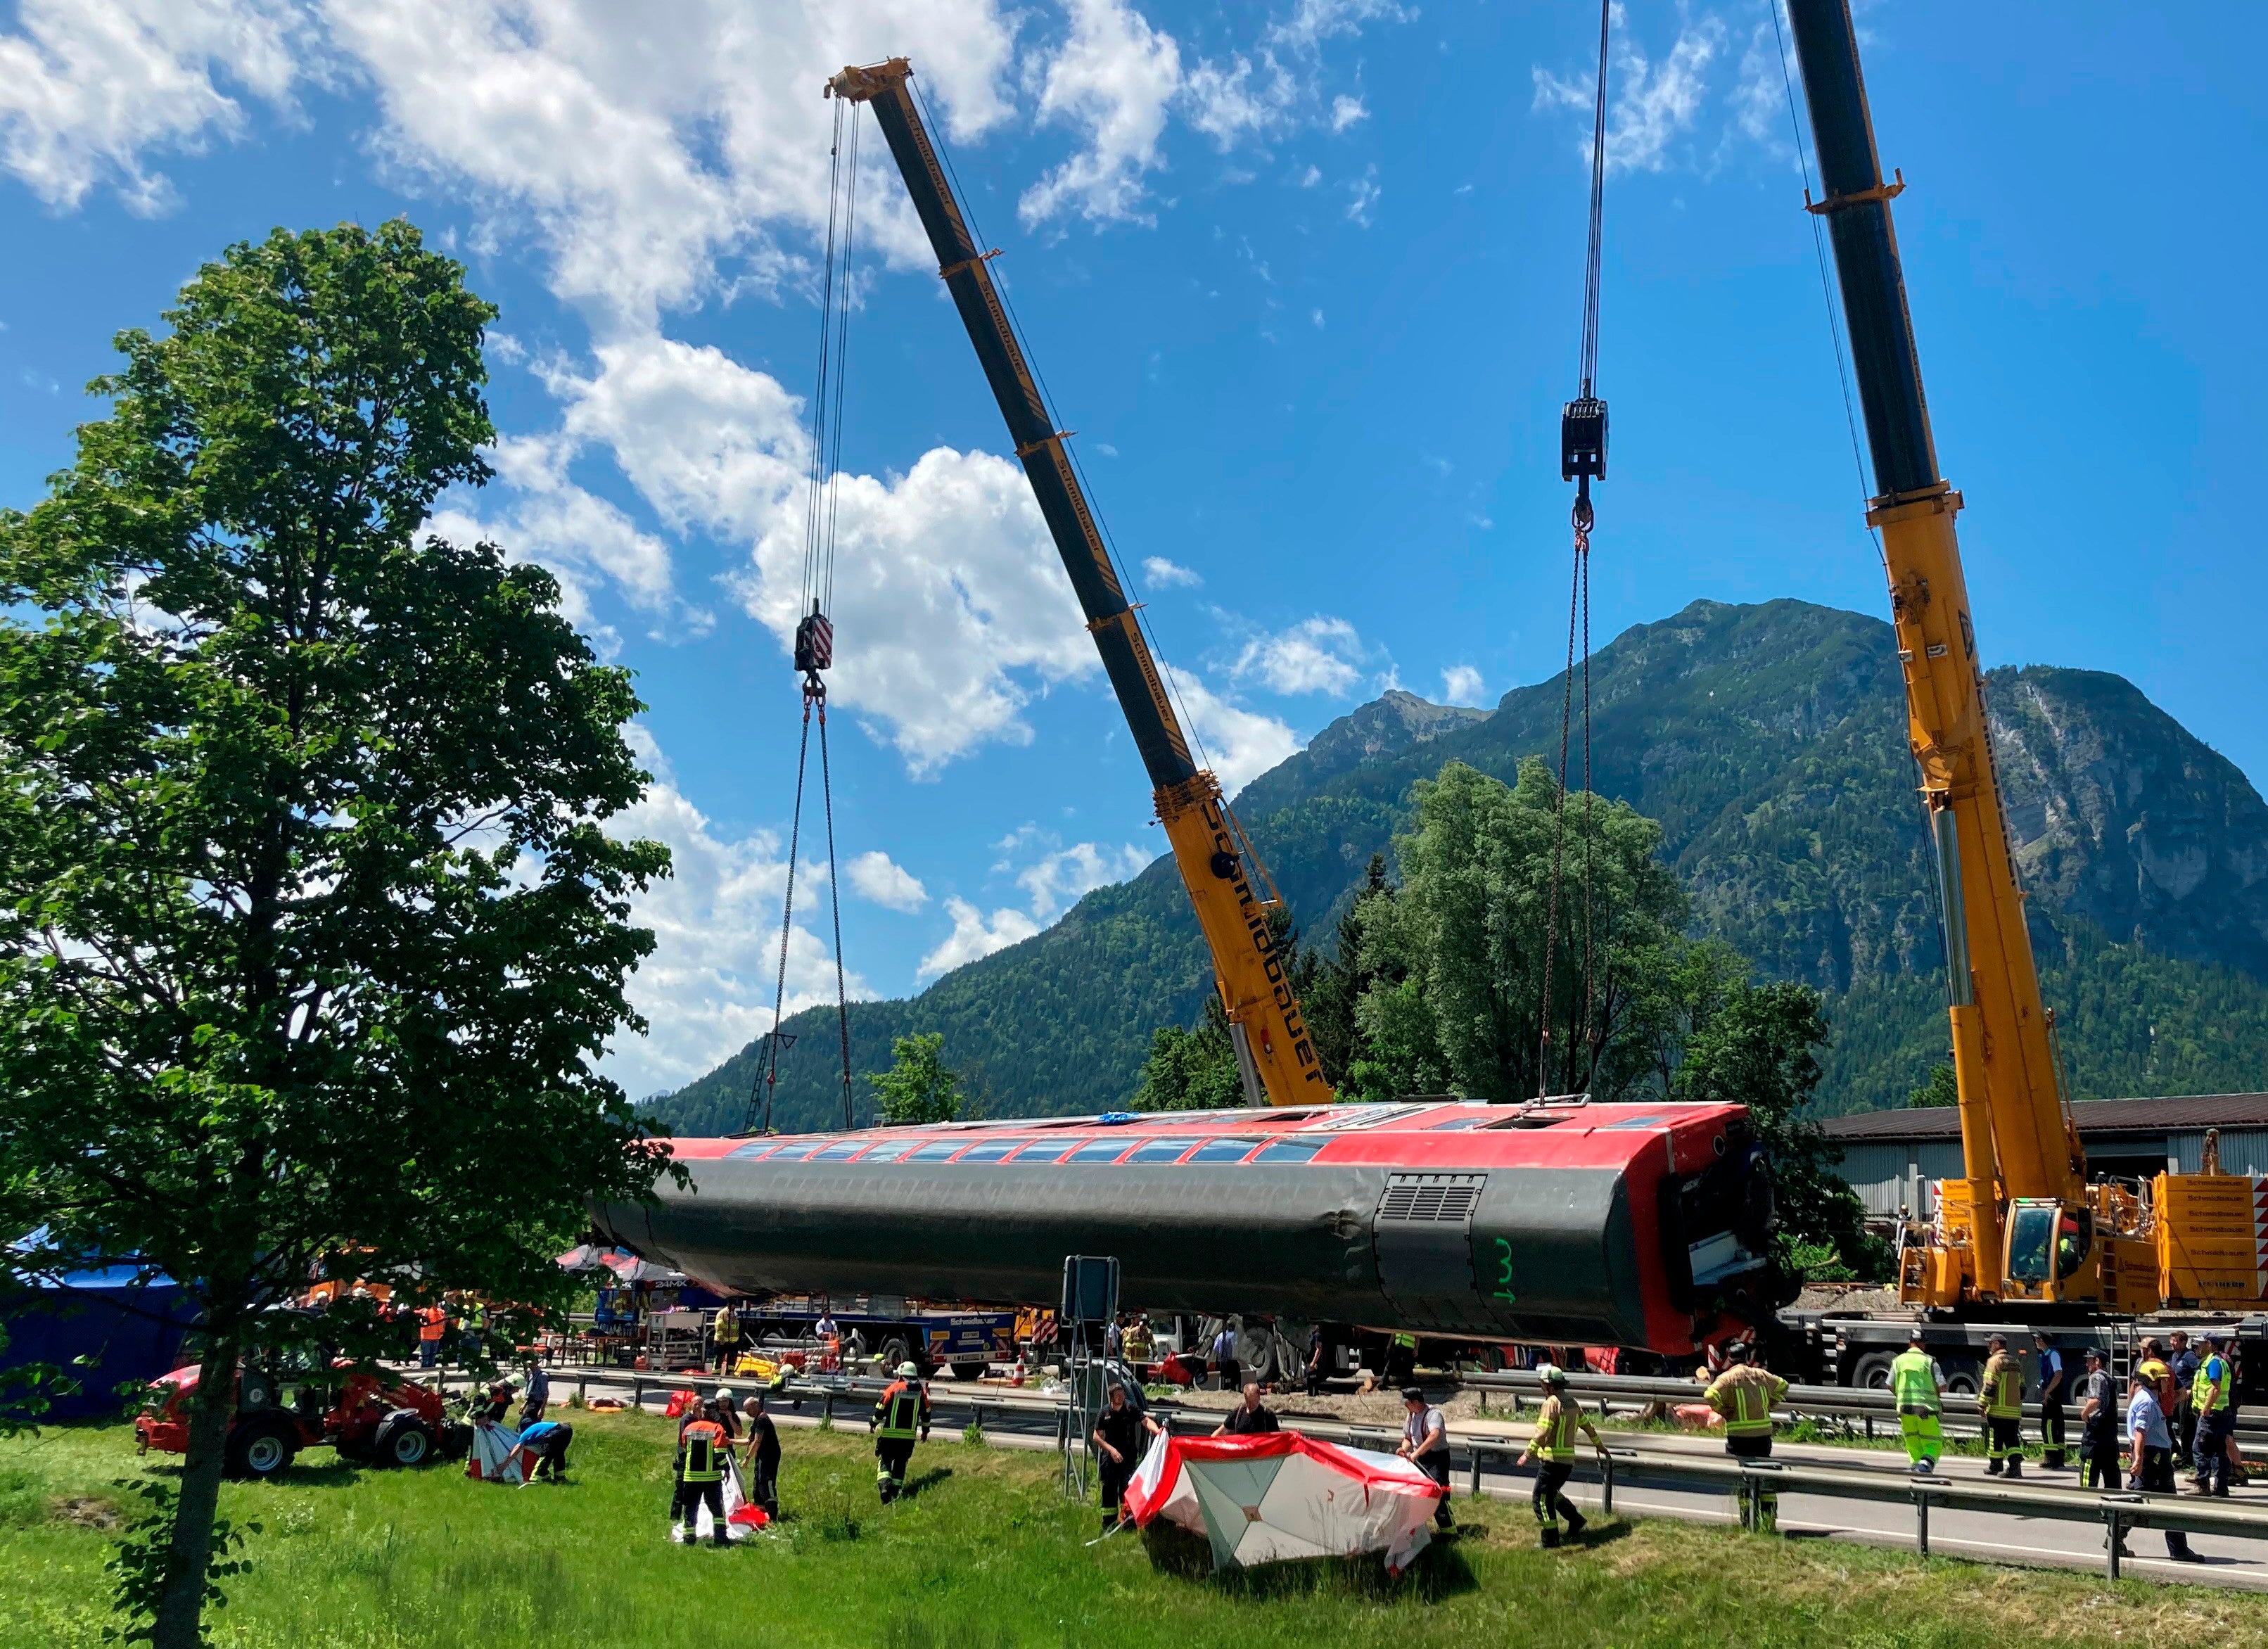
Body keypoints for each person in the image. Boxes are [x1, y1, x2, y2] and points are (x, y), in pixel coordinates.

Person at [1704, 1342, 1789, 1532]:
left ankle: (1747, 1521)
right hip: (1763, 1436)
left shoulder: (1727, 1378)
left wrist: (1723, 1410)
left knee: (1744, 1479)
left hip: (1739, 1437)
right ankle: (1768, 1521)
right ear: (1747, 1357)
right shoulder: (1761, 1374)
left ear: (1729, 1358)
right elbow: (1783, 1385)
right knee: (1765, 1476)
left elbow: (1710, 1394)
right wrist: (1770, 1404)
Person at [1517, 1363, 1604, 1548]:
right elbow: (1588, 1425)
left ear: (1549, 1386)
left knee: (1540, 1499)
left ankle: (1550, 1540)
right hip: (1567, 1463)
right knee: (1551, 1494)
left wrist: (1527, 1454)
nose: (1542, 1387)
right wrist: (1599, 1445)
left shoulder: (1551, 1403)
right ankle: (1576, 1520)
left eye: (1543, 1384)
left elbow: (1542, 1433)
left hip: (1552, 1461)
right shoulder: (1572, 1402)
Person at [2128, 1367, 2200, 1562]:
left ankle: (2179, 1549)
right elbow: (2140, 1432)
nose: (2167, 1383)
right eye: (2163, 1379)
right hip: (2154, 1457)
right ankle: (2179, 1550)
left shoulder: (2149, 1398)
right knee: (2153, 1501)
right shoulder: (2146, 1401)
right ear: (2152, 1380)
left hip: (2155, 1456)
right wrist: (2139, 1459)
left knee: (2149, 1500)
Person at [1092, 1380, 1164, 1534]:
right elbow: (1096, 1437)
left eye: (1122, 1394)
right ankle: (1109, 1524)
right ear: (1112, 1397)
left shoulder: (1131, 1408)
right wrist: (1111, 1450)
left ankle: (1128, 1522)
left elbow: (1145, 1421)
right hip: (1110, 1458)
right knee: (1109, 1490)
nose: (1121, 1397)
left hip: (1128, 1457)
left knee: (1127, 1489)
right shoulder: (1105, 1413)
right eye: (1118, 1395)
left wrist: (1157, 1431)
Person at [672, 1403, 732, 1546]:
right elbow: (719, 1455)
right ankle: (720, 1538)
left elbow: (683, 1450)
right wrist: (727, 1468)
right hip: (711, 1478)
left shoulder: (689, 1428)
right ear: (714, 1415)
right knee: (717, 1510)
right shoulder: (717, 1428)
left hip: (691, 1477)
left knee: (691, 1508)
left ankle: (689, 1538)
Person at [871, 1361, 931, 1503]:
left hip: (890, 1436)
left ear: (901, 1375)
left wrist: (873, 1423)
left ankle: (885, 1487)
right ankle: (895, 1492)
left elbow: (881, 1408)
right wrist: (925, 1431)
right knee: (901, 1463)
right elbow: (927, 1413)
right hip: (908, 1439)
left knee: (885, 1461)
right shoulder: (921, 1392)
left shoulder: (894, 1388)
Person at [1398, 1386, 1455, 1531]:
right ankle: (1418, 1529)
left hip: (1437, 1458)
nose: (1406, 1406)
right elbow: (1408, 1438)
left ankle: (1448, 1530)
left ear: (1416, 1402)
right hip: (1420, 1458)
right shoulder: (1411, 1416)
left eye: (1407, 1403)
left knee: (1437, 1493)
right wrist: (1404, 1449)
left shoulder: (1433, 1414)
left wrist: (1416, 1454)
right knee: (1415, 1492)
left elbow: (1434, 1436)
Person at [1889, 1328, 1944, 1474]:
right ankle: (1925, 1466)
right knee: (1934, 1442)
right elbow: (1942, 1386)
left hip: (1905, 1410)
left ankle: (1916, 1468)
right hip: (1926, 1410)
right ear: (1923, 1344)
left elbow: (1889, 1384)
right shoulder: (1929, 1361)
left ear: (1910, 1343)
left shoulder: (1898, 1361)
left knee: (1912, 1441)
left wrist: (1901, 1395)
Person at [2191, 1333, 2235, 1497]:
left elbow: (2215, 1388)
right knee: (2219, 1451)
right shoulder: (2220, 1361)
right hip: (2221, 1413)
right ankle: (2221, 1487)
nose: (2197, 1347)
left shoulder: (2213, 1362)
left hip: (2212, 1414)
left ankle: (2203, 1485)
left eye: (2201, 1344)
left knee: (2200, 1448)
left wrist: (2206, 1408)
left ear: (2209, 1344)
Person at [1980, 1334, 2025, 1478]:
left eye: (1991, 1343)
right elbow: (2022, 1388)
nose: (1989, 1346)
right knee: (2012, 1439)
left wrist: (1982, 1404)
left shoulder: (1994, 1361)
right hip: (2014, 1411)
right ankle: (2015, 1468)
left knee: (1995, 1439)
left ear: (1997, 1344)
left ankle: (1996, 1465)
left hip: (1998, 1410)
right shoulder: (2016, 1362)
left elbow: (1990, 1386)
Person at [2077, 1346, 2122, 1491]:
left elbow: (2095, 1400)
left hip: (2095, 1434)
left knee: (2088, 1471)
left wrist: (2084, 1414)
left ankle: (2087, 1500)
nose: (2086, 1365)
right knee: (2111, 1473)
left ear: (2097, 1361)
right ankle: (2114, 1500)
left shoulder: (2096, 1377)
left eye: (2089, 1361)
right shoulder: (2111, 1379)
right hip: (2110, 1433)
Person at [740, 1392, 782, 1517]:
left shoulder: (762, 1419)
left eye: (749, 1409)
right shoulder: (757, 1420)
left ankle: (773, 1516)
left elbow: (757, 1441)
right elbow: (748, 1440)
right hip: (762, 1456)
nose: (748, 1413)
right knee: (757, 1484)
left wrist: (747, 1458)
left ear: (756, 1406)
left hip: (769, 1456)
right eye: (746, 1410)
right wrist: (728, 1441)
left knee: (766, 1483)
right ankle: (761, 1515)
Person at [2168, 1330, 2200, 1482]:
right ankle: (2177, 1450)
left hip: (2186, 1396)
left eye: (2175, 1341)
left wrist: (2191, 1390)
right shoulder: (2175, 1356)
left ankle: (2188, 1458)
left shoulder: (2189, 1356)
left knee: (2185, 1427)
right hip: (2175, 1395)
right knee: (2169, 1424)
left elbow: (2198, 1374)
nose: (2172, 1343)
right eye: (2171, 1340)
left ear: (2183, 1342)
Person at [2032, 1332, 2065, 1469]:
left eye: (2037, 1339)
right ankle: (2057, 1457)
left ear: (2042, 1340)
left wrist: (2048, 1391)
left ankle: (2052, 1457)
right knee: (2053, 1425)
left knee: (2049, 1426)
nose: (2035, 1341)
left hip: (2053, 1394)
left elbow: (2058, 1374)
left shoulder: (2053, 1354)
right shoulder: (2044, 1355)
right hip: (2049, 1392)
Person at [519, 1417, 573, 1484]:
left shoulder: (525, 1434)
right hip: (567, 1429)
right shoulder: (538, 1427)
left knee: (547, 1454)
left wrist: (507, 1462)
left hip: (557, 1431)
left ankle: (540, 1474)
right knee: (559, 1453)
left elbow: (517, 1448)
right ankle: (560, 1477)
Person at [1215, 1382, 1280, 1436]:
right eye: (1248, 1402)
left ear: (1259, 1397)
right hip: (1241, 1447)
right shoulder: (1237, 1414)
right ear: (1245, 1397)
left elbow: (1277, 1439)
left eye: (1253, 1403)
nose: (1250, 1405)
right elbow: (1219, 1434)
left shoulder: (1268, 1416)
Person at [518, 1359, 550, 1430]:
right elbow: (531, 1391)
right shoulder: (530, 1374)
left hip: (537, 1404)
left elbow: (546, 1394)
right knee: (525, 1423)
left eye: (532, 1364)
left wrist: (542, 1409)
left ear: (536, 1363)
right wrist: (525, 1404)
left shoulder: (543, 1376)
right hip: (530, 1402)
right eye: (529, 1364)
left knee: (527, 1423)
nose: (530, 1366)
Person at [711, 1304, 741, 1374]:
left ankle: (730, 1372)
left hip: (732, 1341)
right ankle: (716, 1373)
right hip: (721, 1341)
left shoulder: (735, 1314)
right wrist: (721, 1340)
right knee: (719, 1357)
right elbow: (718, 1328)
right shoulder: (722, 1313)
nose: (735, 1306)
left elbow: (735, 1328)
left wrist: (735, 1339)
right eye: (734, 1304)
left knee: (732, 1358)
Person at [1211, 1322, 1240, 1392]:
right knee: (1236, 1377)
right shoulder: (1235, 1335)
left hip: (1223, 1360)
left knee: (1224, 1377)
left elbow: (1215, 1349)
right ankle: (1234, 1390)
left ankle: (1224, 1389)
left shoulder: (1220, 1336)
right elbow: (1237, 1347)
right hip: (1232, 1360)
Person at [416, 1304, 447, 1370]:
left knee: (432, 1356)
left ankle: (431, 1369)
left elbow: (442, 1323)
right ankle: (425, 1368)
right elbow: (417, 1315)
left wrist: (441, 1333)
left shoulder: (440, 1311)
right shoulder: (425, 1310)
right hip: (426, 1338)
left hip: (436, 1337)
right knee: (426, 1355)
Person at [1304, 1324, 1326, 1398]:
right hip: (1311, 1360)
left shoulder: (1317, 1336)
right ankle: (1312, 1395)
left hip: (1315, 1361)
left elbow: (1319, 1349)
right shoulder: (1312, 1335)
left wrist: (1313, 1362)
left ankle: (1313, 1395)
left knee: (1312, 1379)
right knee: (1310, 1379)